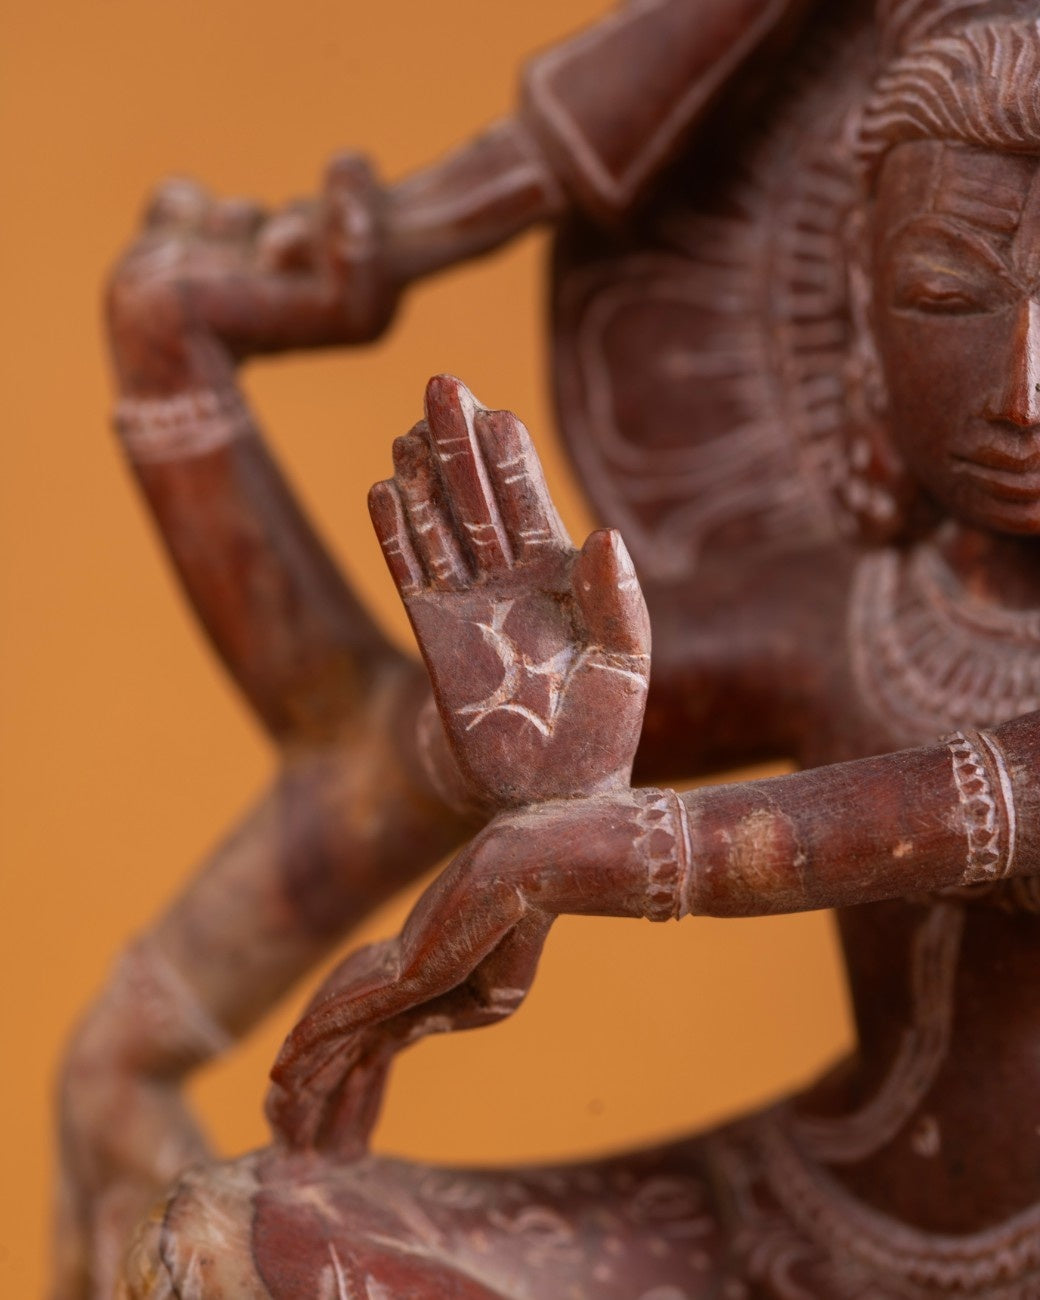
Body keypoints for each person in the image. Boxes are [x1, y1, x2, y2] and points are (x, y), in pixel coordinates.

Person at [58, 0, 1040, 1296]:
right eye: (948, 293)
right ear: (859, 316)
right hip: (798, 1222)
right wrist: (511, 765)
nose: (1026, 388)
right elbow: (357, 759)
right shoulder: (837, 612)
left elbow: (889, 817)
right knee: (226, 1253)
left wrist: (561, 852)